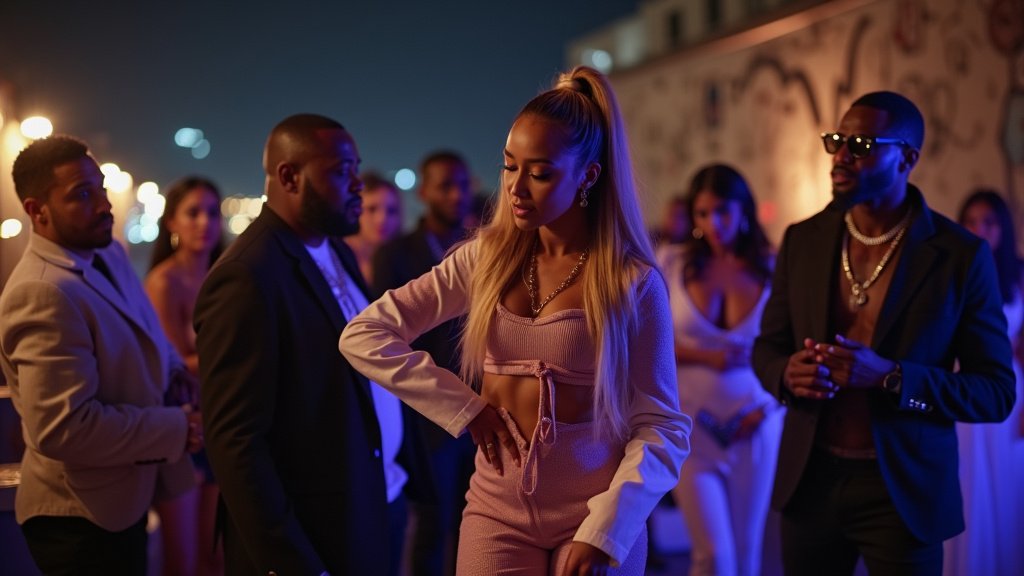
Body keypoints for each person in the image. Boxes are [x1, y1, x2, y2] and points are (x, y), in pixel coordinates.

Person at [341, 66, 691, 576]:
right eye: (509, 166)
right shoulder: (485, 259)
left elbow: (662, 425)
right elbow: (364, 335)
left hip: (595, 509)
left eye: (540, 173)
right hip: (496, 507)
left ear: (589, 175)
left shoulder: (631, 281)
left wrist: (608, 529)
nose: (516, 188)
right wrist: (464, 408)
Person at [752, 91, 1016, 574]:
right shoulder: (803, 239)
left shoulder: (958, 256)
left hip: (902, 489)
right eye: (835, 141)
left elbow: (995, 393)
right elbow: (767, 347)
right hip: (811, 479)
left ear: (907, 159)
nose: (841, 156)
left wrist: (892, 377)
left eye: (861, 145)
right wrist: (787, 373)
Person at [194, 114, 412, 575]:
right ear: (290, 177)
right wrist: (293, 561)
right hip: (313, 536)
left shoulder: (336, 250)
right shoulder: (247, 275)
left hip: (371, 504)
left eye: (357, 169)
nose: (358, 184)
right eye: (342, 170)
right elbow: (235, 441)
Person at [0, 135, 201, 574]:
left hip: (123, 494)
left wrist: (174, 370)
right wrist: (177, 427)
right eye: (82, 194)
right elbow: (64, 429)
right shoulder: (41, 291)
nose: (105, 205)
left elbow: (146, 326)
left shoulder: (107, 250)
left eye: (101, 188)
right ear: (37, 211)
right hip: (78, 519)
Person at [658, 164, 781, 576]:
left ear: (743, 210)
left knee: (747, 552)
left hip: (755, 421)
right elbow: (642, 340)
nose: (713, 224)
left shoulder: (773, 265)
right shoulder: (671, 263)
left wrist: (770, 407)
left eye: (723, 211)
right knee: (713, 555)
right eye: (702, 213)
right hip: (689, 425)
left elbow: (796, 344)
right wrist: (705, 356)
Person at [370, 150, 476, 576]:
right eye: (446, 186)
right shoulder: (396, 253)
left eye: (463, 185)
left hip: (484, 402)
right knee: (432, 525)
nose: (457, 195)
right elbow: (384, 336)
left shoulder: (483, 249)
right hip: (427, 413)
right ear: (424, 192)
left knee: (478, 526)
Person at [145, 176, 226, 576]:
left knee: (219, 556)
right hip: (184, 428)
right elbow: (174, 364)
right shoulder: (164, 282)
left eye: (212, 212)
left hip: (223, 423)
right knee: (185, 561)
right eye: (193, 213)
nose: (204, 222)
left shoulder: (226, 275)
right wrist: (237, 350)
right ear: (171, 222)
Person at [943, 189, 1024, 575]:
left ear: (1002, 228)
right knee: (967, 480)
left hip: (1008, 388)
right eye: (971, 221)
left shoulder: (1017, 277)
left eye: (988, 222)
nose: (979, 230)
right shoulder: (951, 273)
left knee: (1006, 482)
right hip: (964, 385)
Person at [343, 171, 403, 286]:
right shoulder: (339, 257)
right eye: (371, 209)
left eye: (391, 211)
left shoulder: (406, 262)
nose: (382, 219)